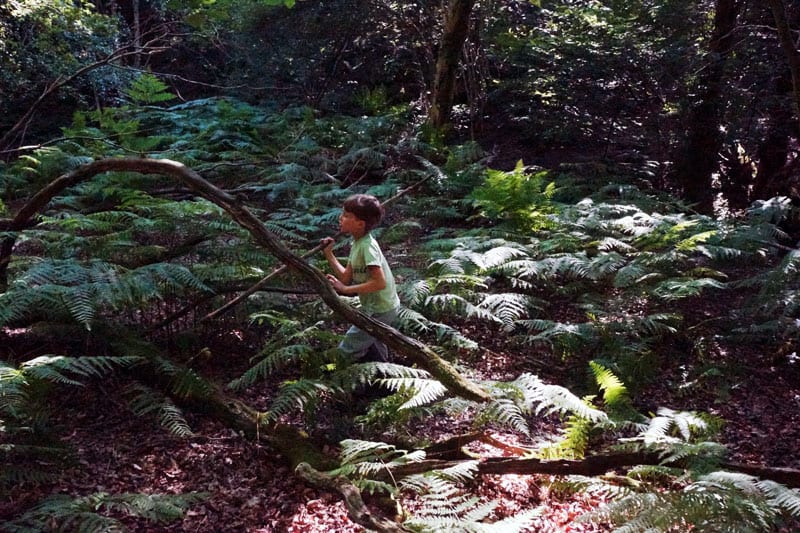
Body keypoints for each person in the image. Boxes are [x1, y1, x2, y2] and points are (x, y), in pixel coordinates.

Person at [321, 194, 401, 362]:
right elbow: (345, 277)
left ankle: (332, 375)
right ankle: (384, 380)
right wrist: (329, 254)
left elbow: (379, 282)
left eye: (346, 215)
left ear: (360, 224)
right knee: (376, 343)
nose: (340, 218)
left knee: (348, 347)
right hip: (378, 307)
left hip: (380, 309)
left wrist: (345, 290)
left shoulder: (367, 246)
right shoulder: (357, 243)